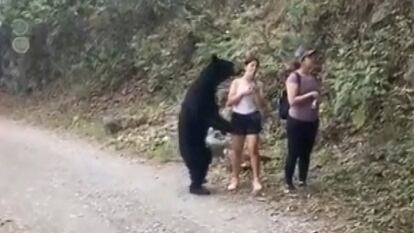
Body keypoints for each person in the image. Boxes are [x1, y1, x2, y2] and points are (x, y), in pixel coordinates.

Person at [225, 55, 267, 193]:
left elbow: (262, 105)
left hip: (253, 116)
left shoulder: (258, 84)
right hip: (238, 116)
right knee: (237, 149)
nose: (254, 69)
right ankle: (235, 178)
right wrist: (242, 94)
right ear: (246, 67)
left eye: (256, 66)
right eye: (251, 66)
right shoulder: (237, 83)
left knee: (253, 148)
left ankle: (256, 179)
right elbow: (229, 102)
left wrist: (256, 94)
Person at [284, 49, 321, 192]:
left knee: (306, 152)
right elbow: (292, 100)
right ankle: (288, 182)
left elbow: (317, 95)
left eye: (313, 57)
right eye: (310, 57)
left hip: (311, 120)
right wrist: (310, 95)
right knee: (293, 151)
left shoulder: (313, 78)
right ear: (302, 59)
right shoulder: (294, 77)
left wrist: (316, 100)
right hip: (296, 120)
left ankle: (302, 179)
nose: (313, 59)